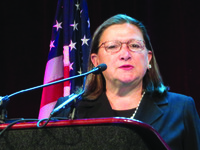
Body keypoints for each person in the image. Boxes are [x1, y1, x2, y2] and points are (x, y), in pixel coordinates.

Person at [54, 14, 200, 149]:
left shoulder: (181, 109)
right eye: (112, 46)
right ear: (96, 60)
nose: (125, 54)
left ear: (148, 58)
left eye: (135, 46)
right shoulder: (70, 109)